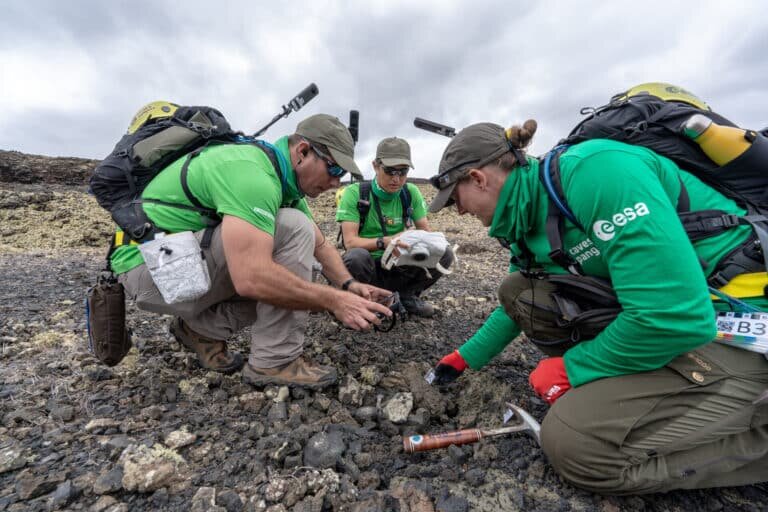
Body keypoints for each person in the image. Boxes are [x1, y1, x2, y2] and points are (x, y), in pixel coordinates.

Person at [427, 120, 768, 494]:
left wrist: (574, 368)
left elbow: (676, 317)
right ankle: (634, 383)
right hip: (667, 317)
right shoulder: (526, 216)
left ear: (478, 178)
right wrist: (463, 358)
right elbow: (514, 306)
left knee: (577, 449)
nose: (457, 212)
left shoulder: (597, 173)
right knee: (520, 291)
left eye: (454, 200)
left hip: (738, 325)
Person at [111, 113, 393, 388]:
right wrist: (334, 301)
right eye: (333, 169)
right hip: (149, 271)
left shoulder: (283, 179)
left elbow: (320, 244)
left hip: (171, 266)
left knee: (300, 276)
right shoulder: (254, 174)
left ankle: (199, 330)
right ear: (302, 152)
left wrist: (348, 285)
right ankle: (275, 361)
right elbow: (252, 278)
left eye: (341, 174)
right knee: (293, 236)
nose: (336, 182)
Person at [336, 137, 452, 318]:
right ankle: (362, 302)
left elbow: (425, 231)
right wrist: (386, 242)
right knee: (356, 257)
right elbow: (350, 242)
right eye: (390, 171)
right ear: (375, 166)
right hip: (369, 267)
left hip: (399, 263)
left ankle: (407, 296)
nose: (396, 179)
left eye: (403, 172)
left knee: (444, 252)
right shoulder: (355, 193)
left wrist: (422, 240)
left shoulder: (410, 192)